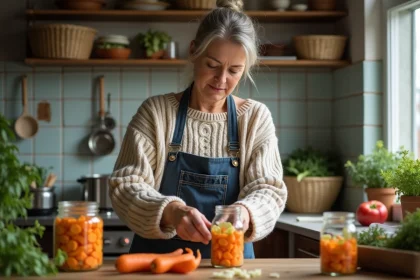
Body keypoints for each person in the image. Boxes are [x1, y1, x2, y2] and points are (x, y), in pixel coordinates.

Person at [109, 0, 288, 259]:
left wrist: (246, 212)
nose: (222, 80)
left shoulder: (254, 118)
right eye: (212, 65)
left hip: (231, 266)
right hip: (158, 267)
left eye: (234, 70)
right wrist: (171, 211)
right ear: (194, 51)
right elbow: (125, 185)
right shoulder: (156, 113)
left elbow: (268, 189)